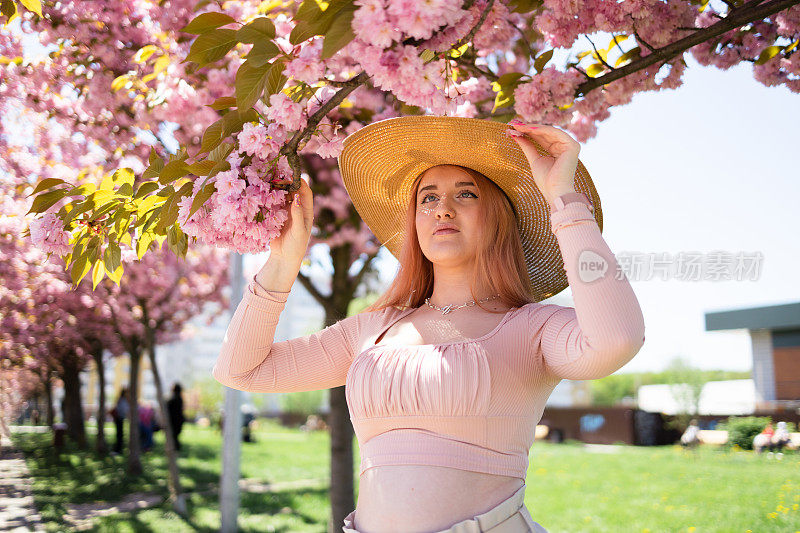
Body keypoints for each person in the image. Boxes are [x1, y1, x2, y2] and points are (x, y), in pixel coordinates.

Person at [212, 116, 646, 532]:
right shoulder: (371, 329)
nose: (443, 209)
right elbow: (241, 370)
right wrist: (283, 263)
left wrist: (563, 200)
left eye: (466, 194)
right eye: (428, 198)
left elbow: (617, 338)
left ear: (500, 215)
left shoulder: (532, 329)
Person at [166, 382, 185, 452]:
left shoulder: (175, 399)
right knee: (175, 436)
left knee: (174, 436)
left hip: (174, 421)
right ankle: (175, 448)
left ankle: (175, 448)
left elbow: (168, 405)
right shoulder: (179, 399)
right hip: (178, 420)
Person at [110, 387, 129, 455]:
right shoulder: (122, 400)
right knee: (119, 435)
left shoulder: (121, 400)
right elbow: (123, 410)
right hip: (119, 419)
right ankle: (117, 450)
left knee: (120, 435)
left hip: (120, 419)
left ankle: (118, 450)